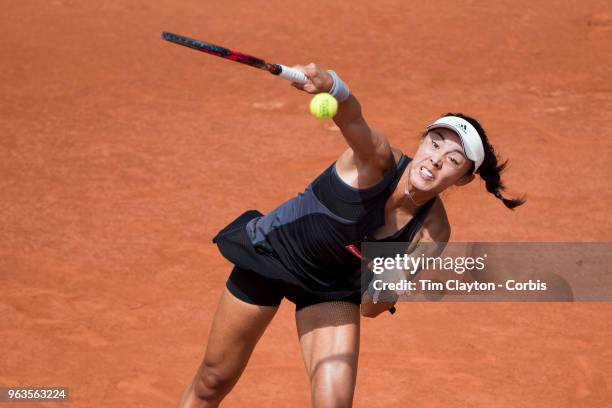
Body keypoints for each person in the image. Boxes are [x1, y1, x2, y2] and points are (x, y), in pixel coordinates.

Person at [177, 63, 524, 408]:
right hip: (275, 252)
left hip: (330, 291)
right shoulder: (377, 160)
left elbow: (372, 308)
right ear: (421, 142)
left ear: (463, 178)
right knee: (212, 380)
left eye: (452, 160)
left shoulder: (432, 232)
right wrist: (334, 86)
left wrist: (392, 281)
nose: (435, 160)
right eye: (434, 145)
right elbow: (351, 118)